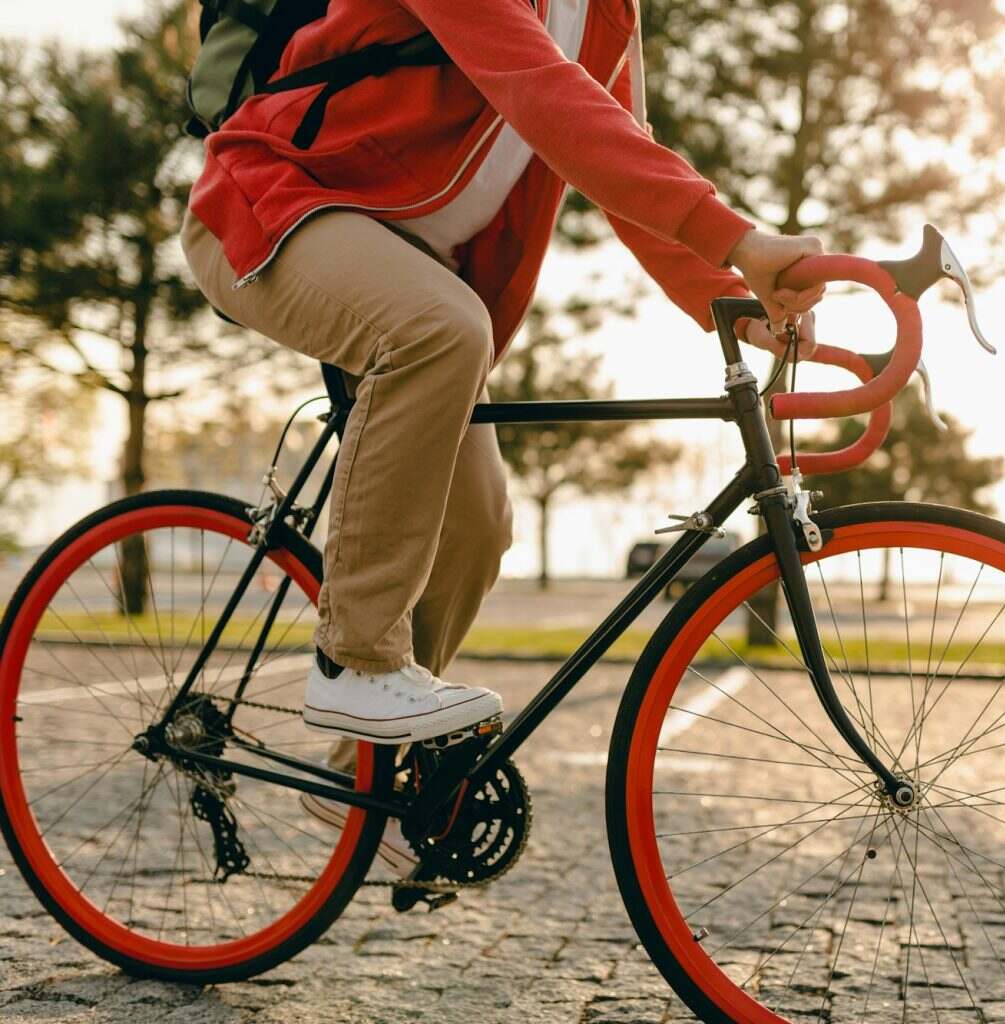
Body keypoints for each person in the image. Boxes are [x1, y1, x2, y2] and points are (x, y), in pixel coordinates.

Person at [181, 0, 824, 753]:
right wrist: (737, 237)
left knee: (479, 527)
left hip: (413, 272)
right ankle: (353, 659)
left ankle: (371, 785)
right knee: (439, 330)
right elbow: (541, 92)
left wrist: (737, 303)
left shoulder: (610, 12)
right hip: (269, 206)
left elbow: (616, 147)